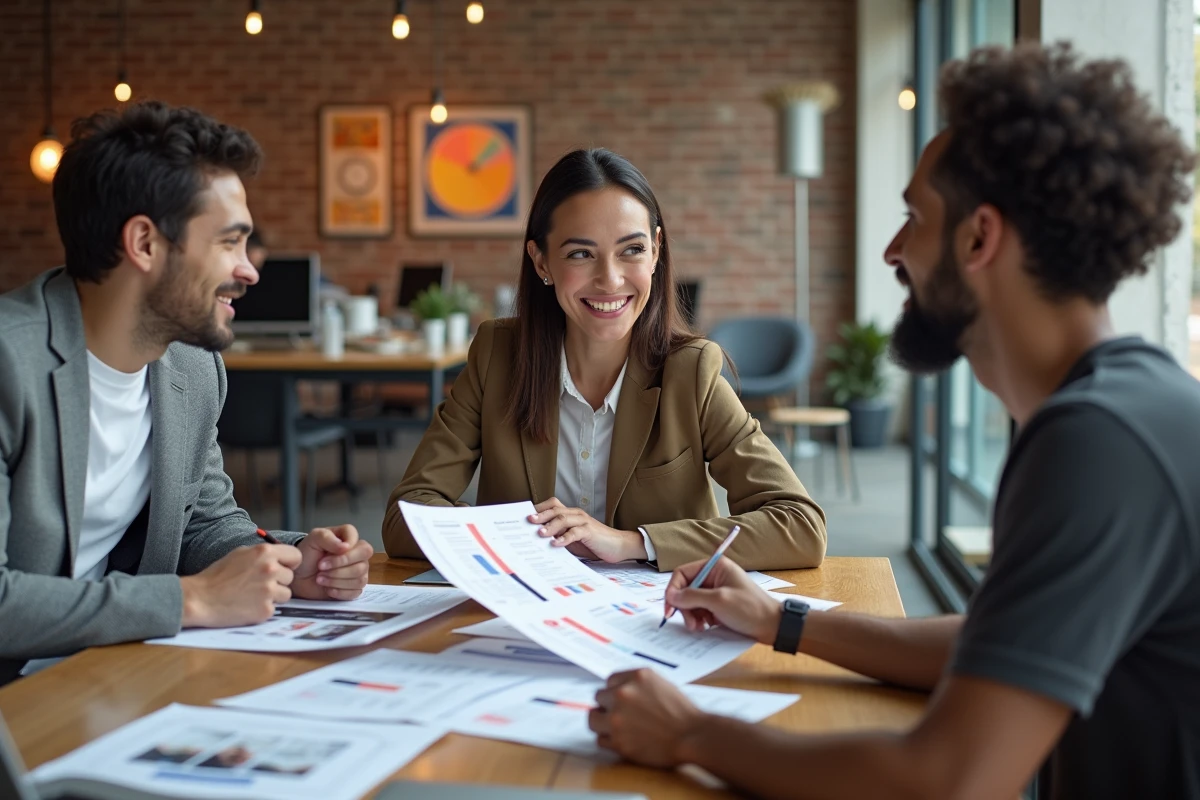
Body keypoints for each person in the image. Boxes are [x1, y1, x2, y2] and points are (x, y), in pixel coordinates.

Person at [588, 42, 1200, 800]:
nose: (892, 251)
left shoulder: (1098, 446)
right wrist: (779, 618)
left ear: (979, 237)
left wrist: (689, 734)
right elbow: (996, 642)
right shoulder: (1125, 409)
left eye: (914, 218)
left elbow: (945, 781)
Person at [0, 101, 374, 686]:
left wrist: (293, 561)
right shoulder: (10, 363)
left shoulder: (193, 368)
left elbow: (203, 523)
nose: (249, 271)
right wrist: (191, 599)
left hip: (110, 671)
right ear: (145, 243)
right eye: (229, 242)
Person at [383, 149, 826, 572]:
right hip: (527, 614)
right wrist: (517, 539)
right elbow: (407, 515)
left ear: (656, 250)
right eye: (581, 254)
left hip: (656, 615)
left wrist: (631, 543)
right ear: (541, 262)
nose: (610, 280)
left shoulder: (691, 372)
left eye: (631, 250)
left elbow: (800, 526)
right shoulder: (497, 356)